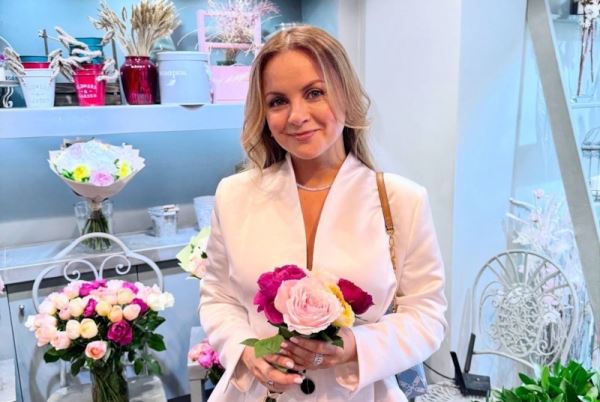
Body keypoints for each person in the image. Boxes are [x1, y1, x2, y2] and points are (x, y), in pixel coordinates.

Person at [199, 25, 447, 402]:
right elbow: (218, 297)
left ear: (345, 93)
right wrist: (247, 352)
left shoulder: (401, 201)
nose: (297, 116)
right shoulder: (235, 195)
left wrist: (353, 346)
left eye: (314, 93)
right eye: (278, 101)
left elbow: (427, 314)